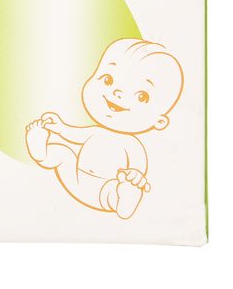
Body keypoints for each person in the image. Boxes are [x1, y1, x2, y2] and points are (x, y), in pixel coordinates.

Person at [25, 38, 183, 219]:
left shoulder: (131, 144)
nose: (117, 93)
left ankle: (124, 201)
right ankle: (42, 153)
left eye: (141, 96)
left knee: (116, 189)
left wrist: (134, 178)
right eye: (108, 80)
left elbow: (137, 168)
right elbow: (75, 135)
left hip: (104, 191)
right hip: (75, 178)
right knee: (64, 153)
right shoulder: (95, 131)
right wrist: (59, 127)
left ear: (160, 121)